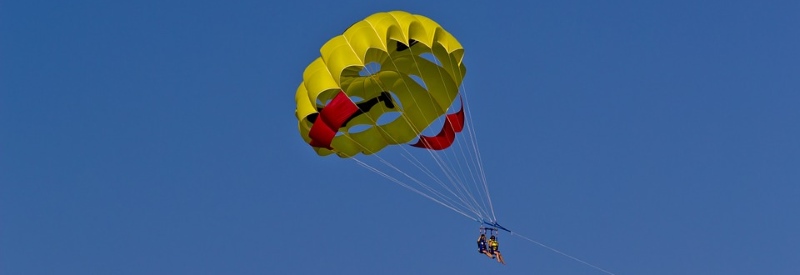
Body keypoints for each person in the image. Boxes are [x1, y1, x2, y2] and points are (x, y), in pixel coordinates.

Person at [306, 91, 394, 126]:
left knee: (364, 107)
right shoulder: (323, 121)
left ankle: (382, 98)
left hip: (340, 114)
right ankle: (381, 98)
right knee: (365, 107)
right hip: (342, 117)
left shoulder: (318, 114)